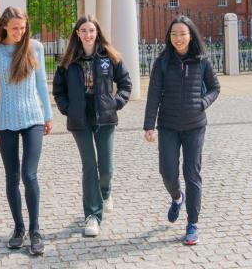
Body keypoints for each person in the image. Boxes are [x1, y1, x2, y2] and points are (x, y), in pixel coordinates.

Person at [143, 15, 221, 245]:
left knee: (192, 173)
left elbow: (215, 88)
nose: (178, 38)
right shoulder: (162, 62)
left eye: (182, 34)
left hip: (195, 126)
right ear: (169, 37)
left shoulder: (202, 60)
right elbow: (154, 94)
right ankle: (177, 197)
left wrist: (202, 103)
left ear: (191, 35)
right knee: (167, 171)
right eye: (174, 34)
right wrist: (149, 124)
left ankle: (192, 224)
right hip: (167, 125)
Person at [0, 6, 53, 256]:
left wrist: (48, 114)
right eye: (14, 28)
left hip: (33, 118)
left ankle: (35, 231)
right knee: (11, 177)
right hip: (5, 122)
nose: (19, 33)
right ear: (4, 26)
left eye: (22, 28)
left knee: (29, 175)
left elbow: (41, 82)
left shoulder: (35, 48)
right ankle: (19, 228)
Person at [52, 15, 132, 237]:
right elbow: (58, 90)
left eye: (92, 31)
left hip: (105, 118)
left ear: (97, 33)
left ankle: (105, 193)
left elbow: (125, 83)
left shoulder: (109, 57)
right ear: (77, 34)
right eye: (84, 31)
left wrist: (115, 103)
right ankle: (92, 216)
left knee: (105, 168)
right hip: (80, 120)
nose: (88, 35)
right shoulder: (68, 60)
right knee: (89, 166)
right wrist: (67, 108)